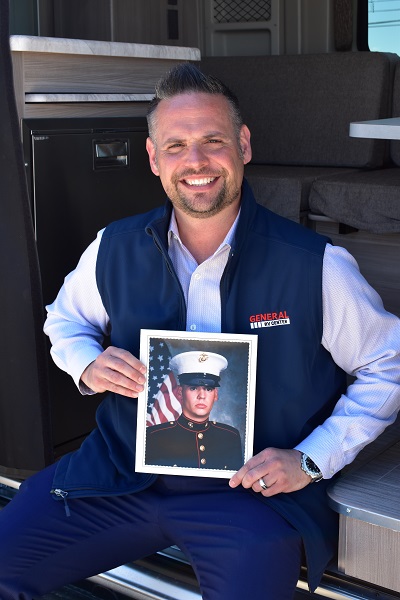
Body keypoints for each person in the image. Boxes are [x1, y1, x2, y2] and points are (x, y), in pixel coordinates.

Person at [0, 62, 399, 600]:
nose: (195, 162)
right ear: (153, 158)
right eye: (176, 146)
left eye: (213, 141)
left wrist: (312, 458)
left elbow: (388, 363)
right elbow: (64, 319)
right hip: (118, 474)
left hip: (251, 496)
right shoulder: (113, 247)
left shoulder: (316, 264)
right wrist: (86, 364)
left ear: (244, 145)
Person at [145, 350, 243, 470]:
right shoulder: (154, 436)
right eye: (193, 388)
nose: (201, 396)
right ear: (180, 392)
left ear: (215, 394)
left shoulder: (230, 437)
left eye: (208, 389)